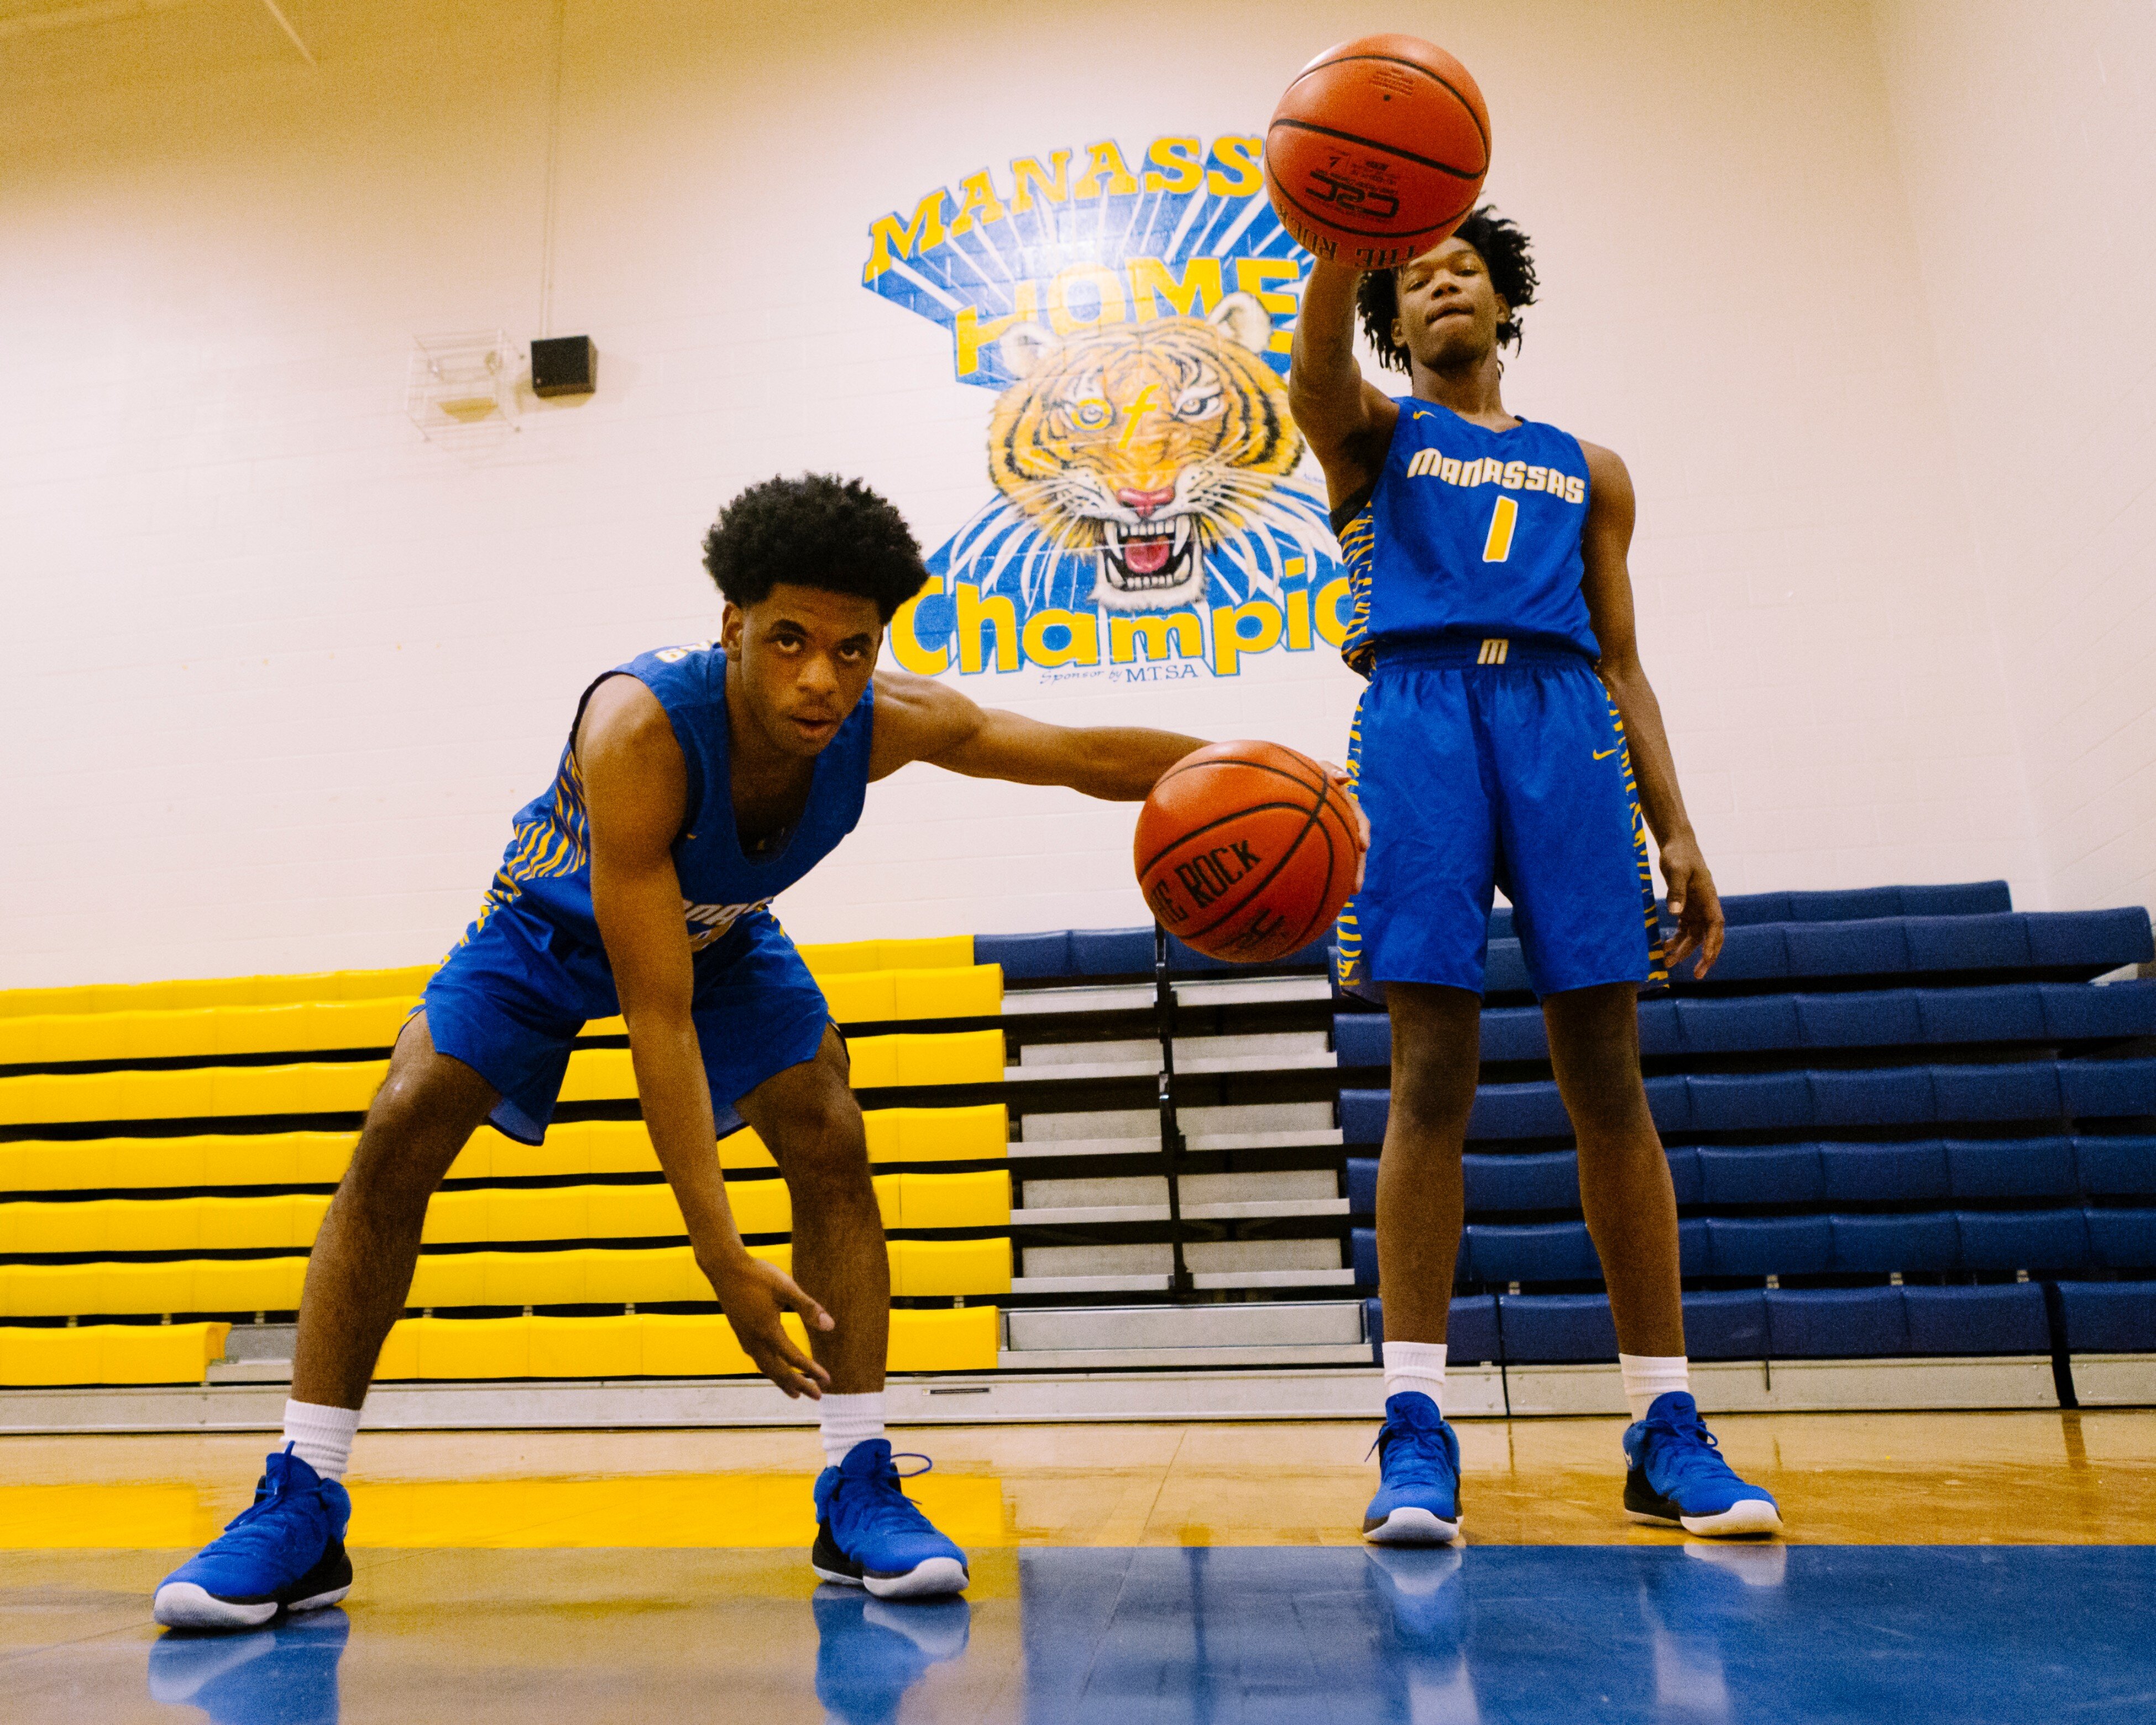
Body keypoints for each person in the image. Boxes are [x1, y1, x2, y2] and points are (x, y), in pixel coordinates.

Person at [154, 473, 1223, 1628]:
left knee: (828, 1127)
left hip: (717, 931)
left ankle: (858, 1477)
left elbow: (1071, 751)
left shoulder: (885, 722)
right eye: (789, 642)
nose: (821, 679)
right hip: (548, 923)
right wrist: (721, 1253)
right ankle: (302, 1497)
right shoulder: (641, 730)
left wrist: (1285, 774)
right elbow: (652, 1016)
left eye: (852, 649)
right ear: (734, 629)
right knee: (405, 1117)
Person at [1286, 208, 1781, 1540]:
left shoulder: (1593, 469)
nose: (1440, 284)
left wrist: (1676, 827)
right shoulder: (1375, 434)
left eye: (1464, 270)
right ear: (1394, 323)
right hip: (1421, 718)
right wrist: (1345, 239)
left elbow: (1624, 661)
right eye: (1414, 279)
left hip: (1567, 728)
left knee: (1608, 1077)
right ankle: (1414, 1425)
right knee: (1430, 1074)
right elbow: (1313, 375)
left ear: (1507, 305)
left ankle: (1666, 1422)